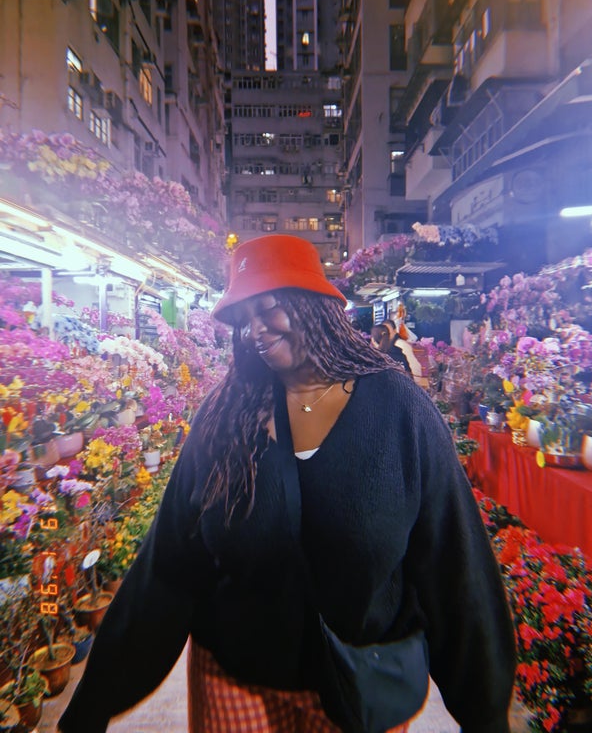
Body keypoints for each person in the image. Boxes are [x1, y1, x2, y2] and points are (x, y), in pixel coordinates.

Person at [58, 234, 516, 733]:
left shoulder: (399, 411)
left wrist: (484, 712)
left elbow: (454, 566)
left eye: (268, 308)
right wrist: (95, 701)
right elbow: (167, 563)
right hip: (236, 680)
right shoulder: (225, 415)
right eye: (243, 317)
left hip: (360, 687)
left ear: (313, 305)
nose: (254, 329)